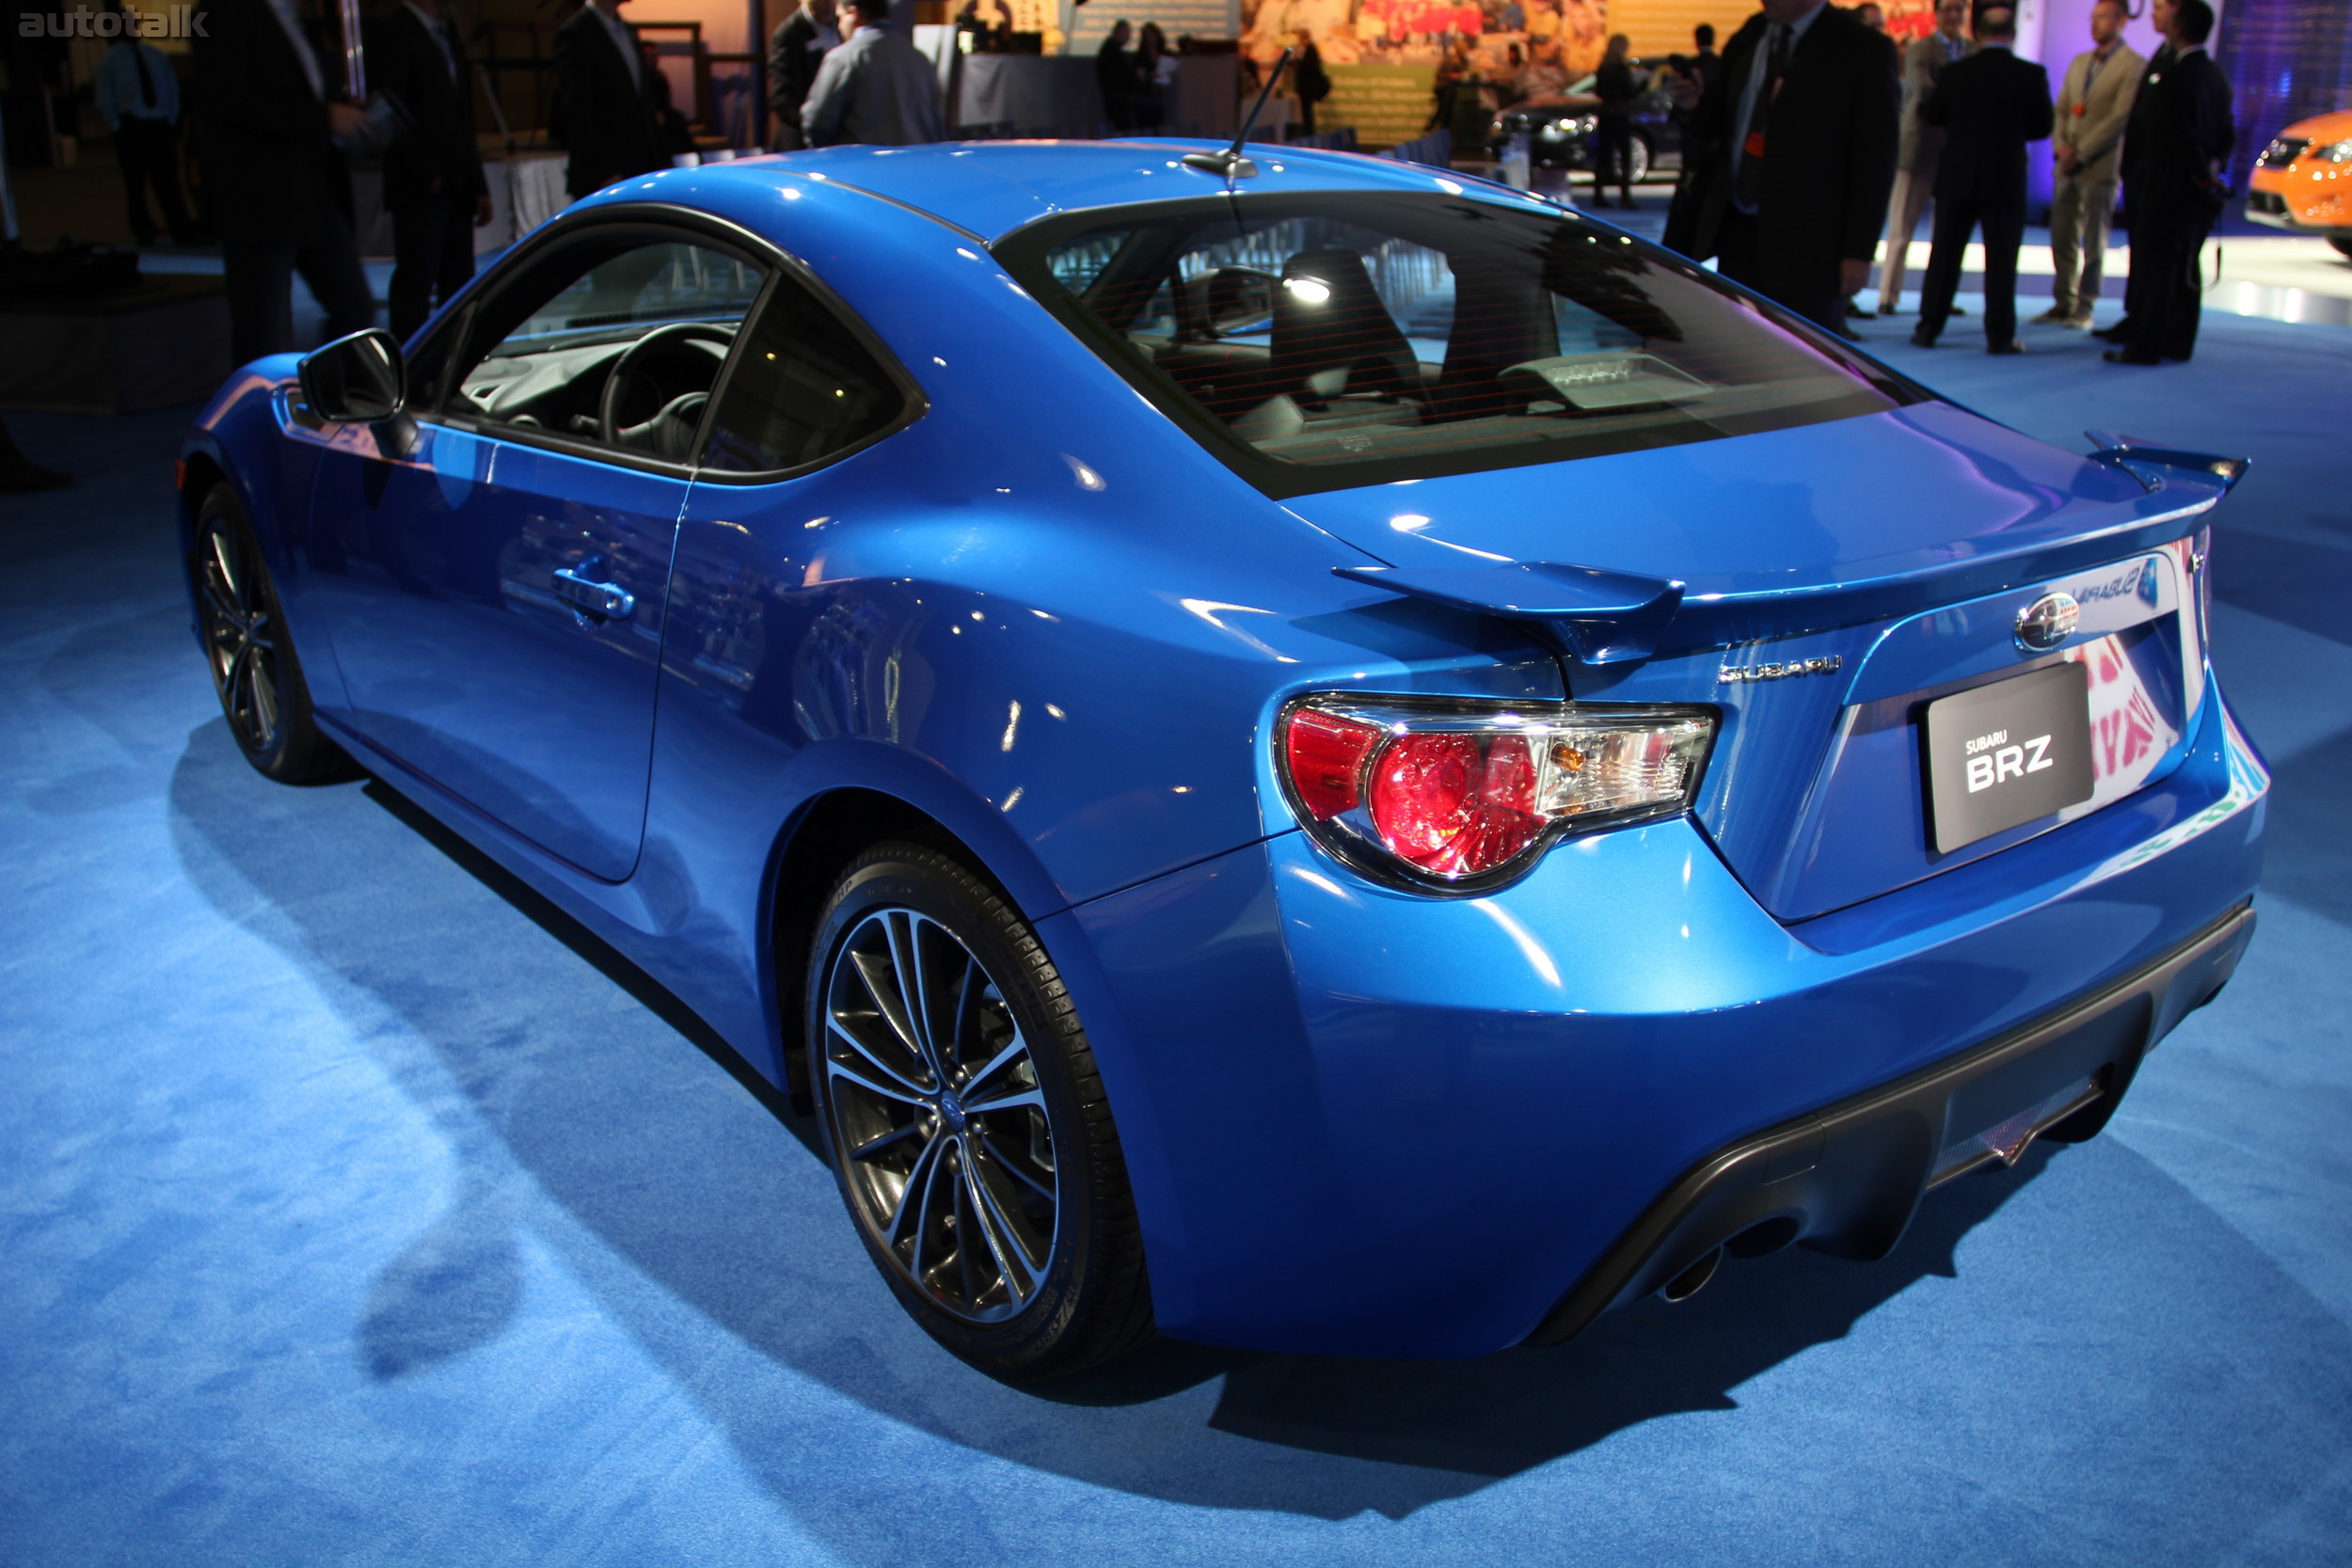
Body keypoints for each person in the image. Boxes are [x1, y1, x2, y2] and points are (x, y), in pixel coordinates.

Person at [1663, 0, 1899, 335]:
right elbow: (1718, 125)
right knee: (1741, 356)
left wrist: (1858, 252)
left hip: (1811, 249)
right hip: (1739, 235)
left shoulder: (1863, 49)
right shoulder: (1752, 34)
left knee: (1805, 364)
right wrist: (1690, 105)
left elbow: (1875, 160)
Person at [192, 0, 377, 365]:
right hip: (259, 197)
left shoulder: (291, 18)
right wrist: (324, 117)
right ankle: (259, 417)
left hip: (312, 191)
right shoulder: (224, 12)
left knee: (355, 308)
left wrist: (338, 109)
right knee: (263, 333)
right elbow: (230, 102)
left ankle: (329, 398)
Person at [1908, 1, 2050, 353]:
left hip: (1958, 176)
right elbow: (2042, 127)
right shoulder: (2030, 74)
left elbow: (1936, 114)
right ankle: (1999, 336)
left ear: (1976, 34)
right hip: (2004, 179)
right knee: (2002, 260)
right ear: (2012, 35)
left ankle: (1928, 328)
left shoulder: (1956, 73)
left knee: (1944, 256)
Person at [2104, 0, 2230, 365]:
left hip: (2167, 185)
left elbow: (2179, 135)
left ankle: (2146, 346)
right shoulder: (2216, 74)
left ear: (2179, 22)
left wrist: (2197, 172)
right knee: (2186, 265)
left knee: (2158, 269)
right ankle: (2176, 341)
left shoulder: (2176, 75)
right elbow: (2226, 132)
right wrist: (2210, 171)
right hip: (2194, 191)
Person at [366, 0, 489, 341]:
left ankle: (451, 361)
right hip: (421, 183)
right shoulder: (393, 30)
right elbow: (389, 109)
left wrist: (478, 184)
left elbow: (462, 115)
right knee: (416, 281)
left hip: (458, 182)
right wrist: (425, 172)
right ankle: (409, 361)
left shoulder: (445, 33)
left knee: (460, 284)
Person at [2035, 0, 2139, 328]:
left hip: (2100, 165)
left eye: (2102, 18)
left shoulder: (2133, 65)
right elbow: (2062, 107)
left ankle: (2085, 305)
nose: (2094, 24)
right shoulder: (2080, 62)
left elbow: (2119, 118)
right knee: (2062, 233)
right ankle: (2062, 300)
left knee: (2094, 239)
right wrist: (2062, 147)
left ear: (2121, 21)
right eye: (2092, 18)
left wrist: (2082, 152)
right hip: (2067, 161)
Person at [1872, 0, 1969, 315]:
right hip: (1919, 149)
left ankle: (1941, 298)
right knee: (1901, 230)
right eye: (1948, 9)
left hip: (1956, 153)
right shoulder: (1920, 49)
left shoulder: (1974, 51)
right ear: (1937, 14)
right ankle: (1888, 295)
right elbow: (1923, 90)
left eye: (1959, 9)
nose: (1954, 15)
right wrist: (1962, 96)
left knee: (1949, 235)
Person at [94, 13, 197, 245]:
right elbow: (105, 99)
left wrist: (171, 120)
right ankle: (144, 230)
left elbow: (170, 90)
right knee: (135, 184)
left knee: (169, 181)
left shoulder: (156, 56)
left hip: (158, 125)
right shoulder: (109, 62)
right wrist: (117, 125)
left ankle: (181, 228)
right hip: (132, 127)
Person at [551, 0, 666, 200]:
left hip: (641, 172)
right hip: (605, 178)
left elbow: (642, 105)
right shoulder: (576, 33)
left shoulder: (628, 30)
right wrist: (606, 172)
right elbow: (576, 111)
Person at [802, 0, 946, 148]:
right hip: (917, 162)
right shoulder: (920, 59)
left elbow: (817, 123)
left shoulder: (843, 58)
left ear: (853, 13)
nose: (839, 26)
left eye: (840, 17)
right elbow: (937, 123)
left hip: (861, 164)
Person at [768, 0, 841, 151]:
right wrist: (811, 126)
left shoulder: (841, 26)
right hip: (801, 142)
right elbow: (782, 97)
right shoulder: (789, 33)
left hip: (837, 138)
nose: (828, 5)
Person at [1591, 32, 1639, 209]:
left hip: (1606, 113)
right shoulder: (1621, 68)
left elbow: (1599, 91)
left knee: (1604, 155)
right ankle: (1625, 196)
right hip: (1620, 114)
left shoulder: (1603, 66)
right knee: (1625, 156)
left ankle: (1598, 195)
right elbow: (1631, 91)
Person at [1096, 20, 1139, 132]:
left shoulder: (1111, 49)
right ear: (1119, 32)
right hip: (1118, 99)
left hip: (1117, 98)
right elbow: (1117, 76)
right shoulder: (1112, 51)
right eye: (1127, 33)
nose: (1129, 37)